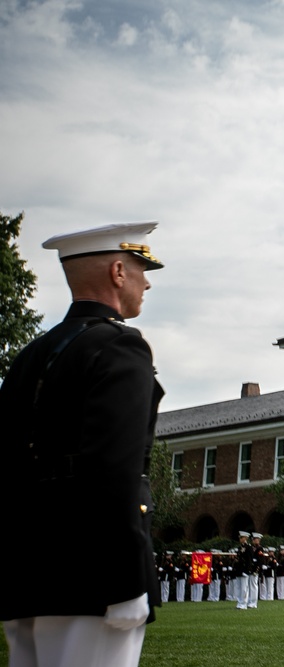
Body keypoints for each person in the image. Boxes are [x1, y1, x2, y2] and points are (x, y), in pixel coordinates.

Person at [0, 222, 164, 667]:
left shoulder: (29, 356)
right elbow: (114, 470)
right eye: (140, 269)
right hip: (94, 574)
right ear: (117, 271)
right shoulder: (120, 347)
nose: (146, 281)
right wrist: (126, 579)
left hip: (26, 570)